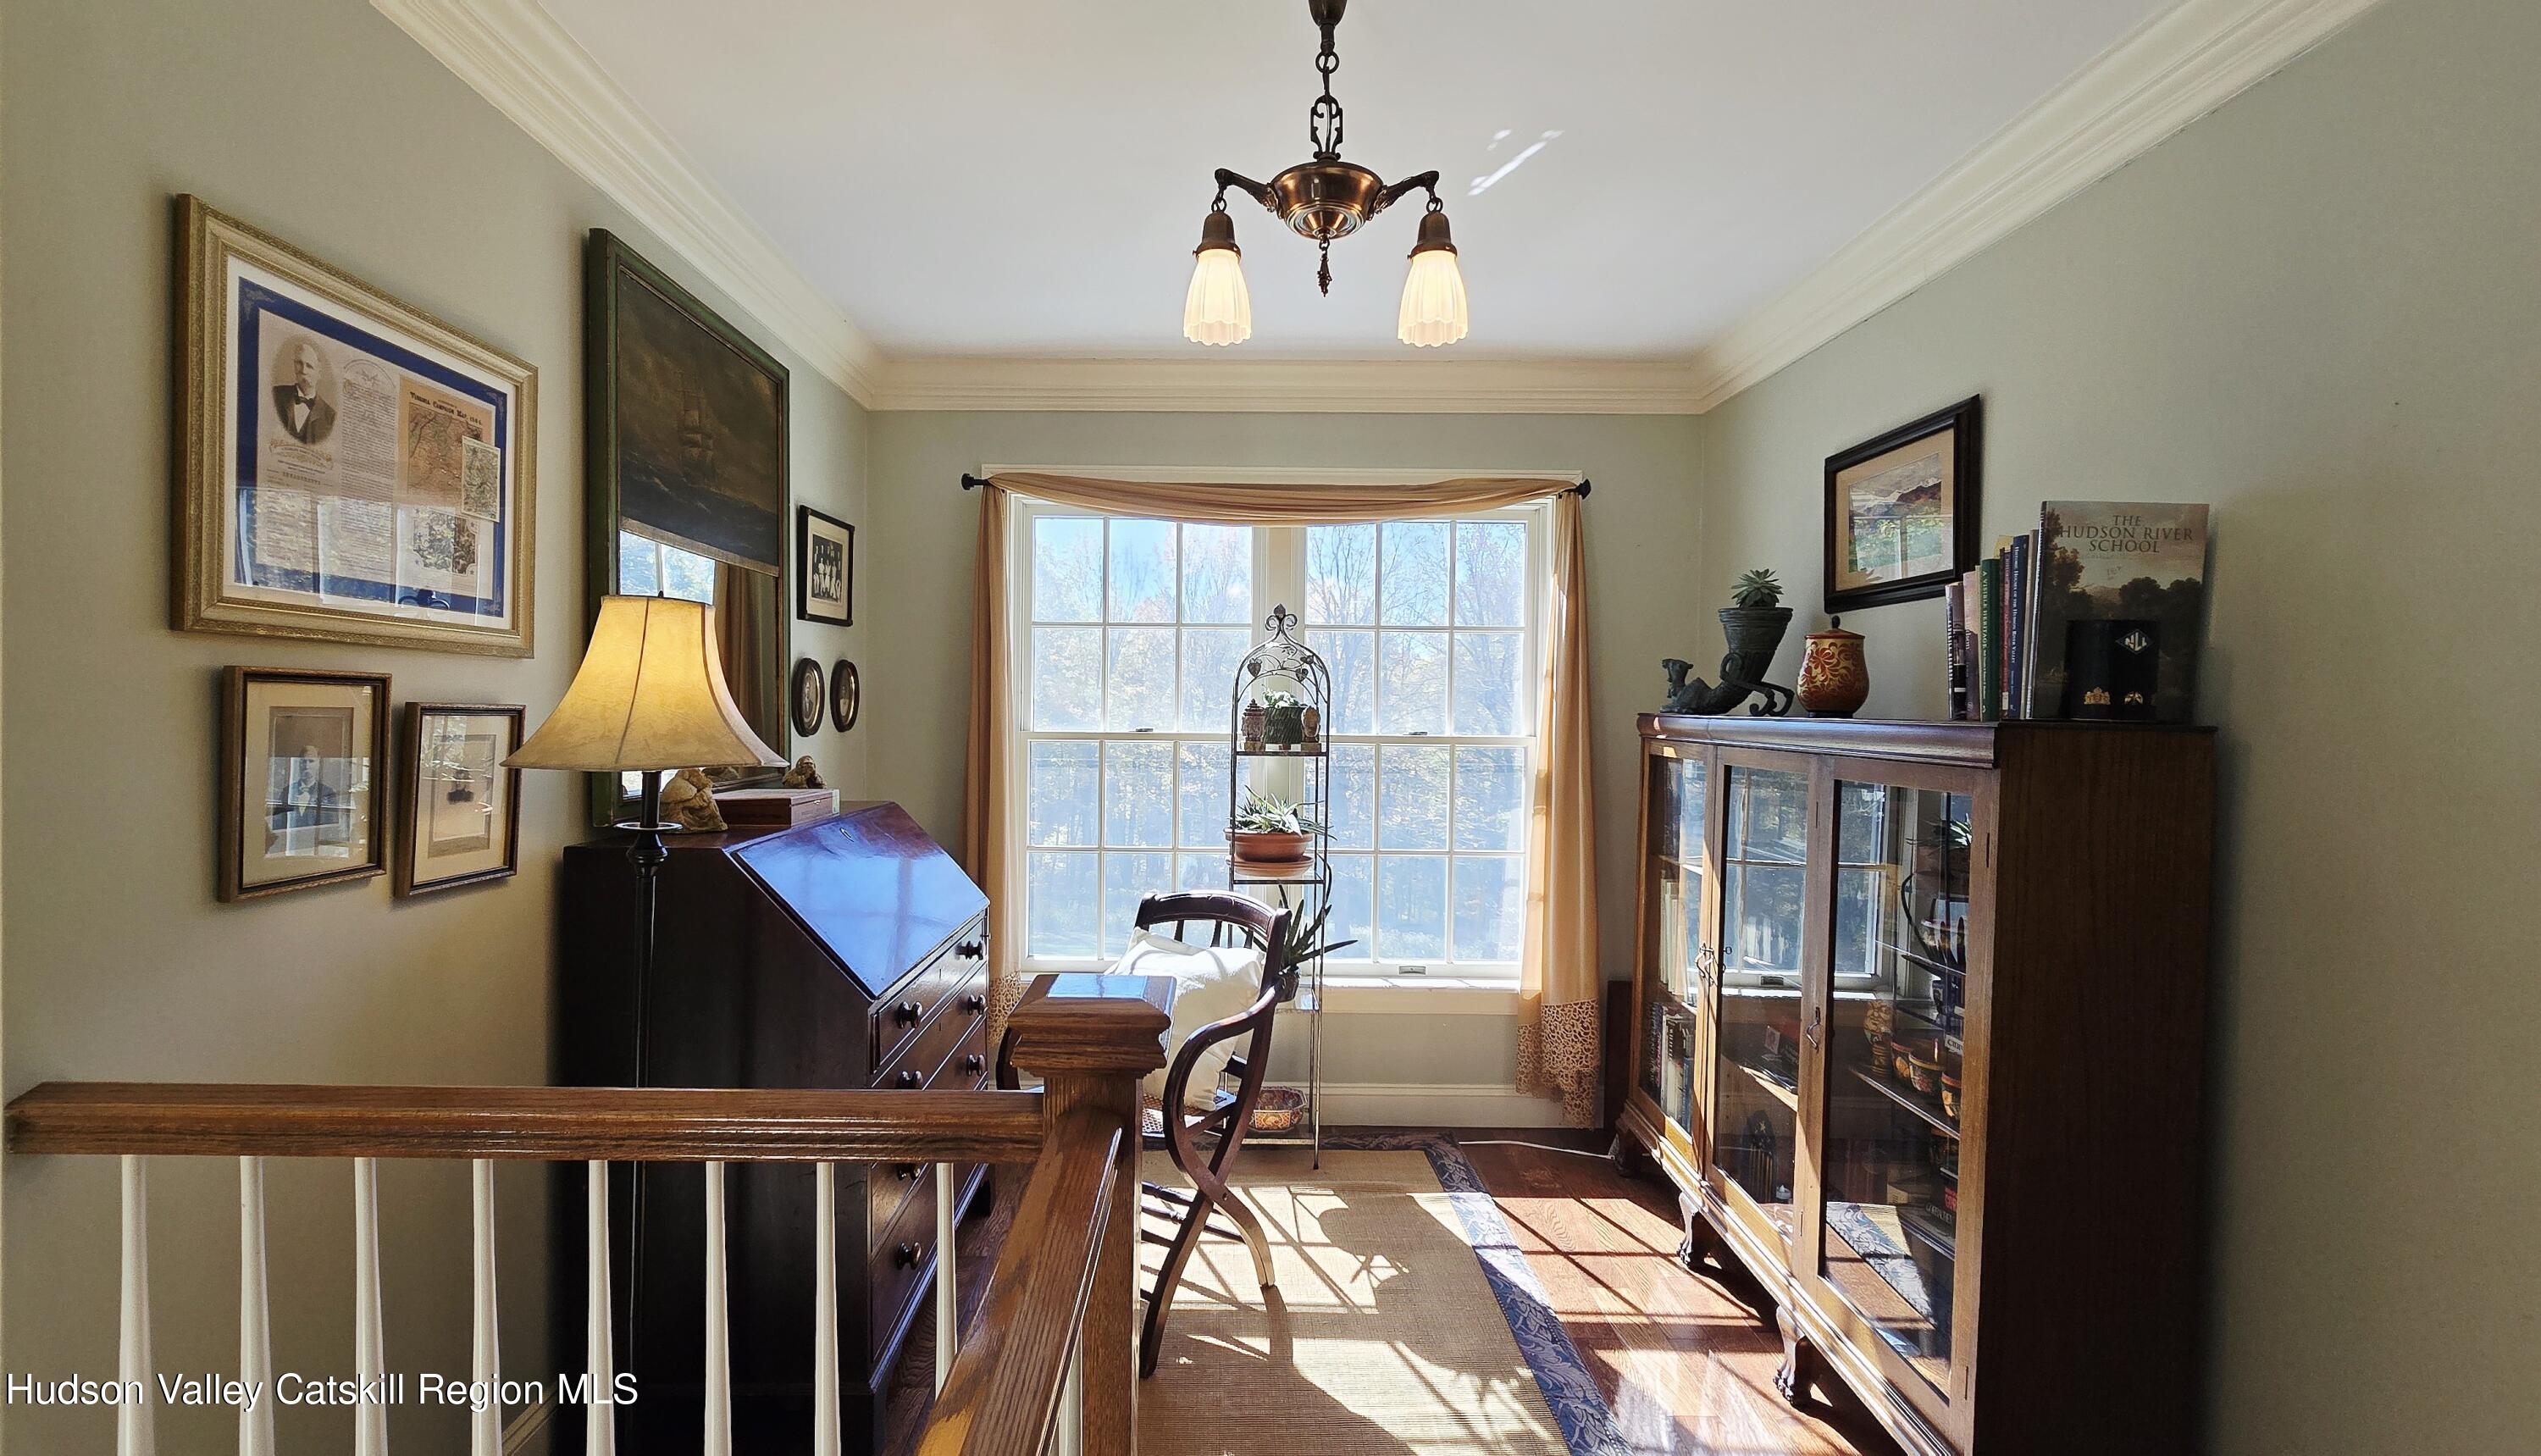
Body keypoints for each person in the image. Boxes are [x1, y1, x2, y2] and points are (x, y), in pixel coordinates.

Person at [271, 339, 335, 445]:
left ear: (319, 373)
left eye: (309, 366)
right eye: (299, 363)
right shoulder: (276, 394)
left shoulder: (330, 416)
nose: (303, 371)